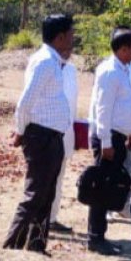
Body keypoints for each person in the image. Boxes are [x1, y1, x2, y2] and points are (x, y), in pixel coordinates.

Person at [4, 14, 74, 253]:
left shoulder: (53, 61)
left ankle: (36, 247)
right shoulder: (45, 61)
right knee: (35, 195)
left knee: (47, 194)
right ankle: (10, 249)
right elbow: (25, 102)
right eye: (71, 34)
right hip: (41, 137)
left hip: (53, 137)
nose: (73, 39)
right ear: (61, 36)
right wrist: (20, 131)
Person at [87, 27, 131, 255]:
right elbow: (103, 109)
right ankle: (95, 238)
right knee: (101, 188)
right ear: (123, 49)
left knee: (108, 187)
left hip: (118, 137)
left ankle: (100, 236)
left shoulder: (122, 69)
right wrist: (106, 142)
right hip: (108, 138)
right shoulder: (110, 71)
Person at [49, 60, 77, 233]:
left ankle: (51, 218)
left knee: (58, 178)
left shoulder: (71, 69)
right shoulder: (43, 63)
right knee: (42, 181)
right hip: (46, 134)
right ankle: (36, 222)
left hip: (65, 133)